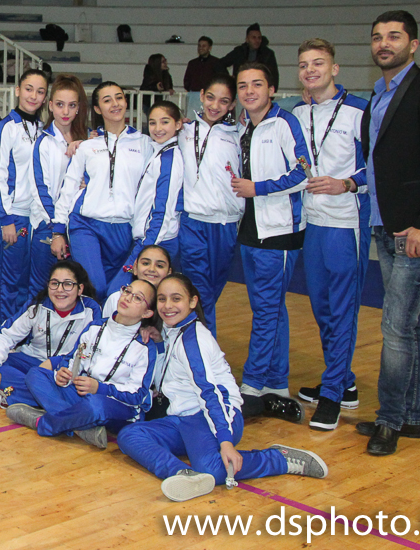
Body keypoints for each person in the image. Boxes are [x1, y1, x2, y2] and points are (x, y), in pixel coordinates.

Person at [117, 274, 327, 501]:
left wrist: (225, 442)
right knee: (130, 434)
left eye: (176, 299)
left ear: (193, 301)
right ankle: (184, 474)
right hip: (184, 419)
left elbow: (210, 394)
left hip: (216, 417)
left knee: (213, 469)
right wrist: (159, 343)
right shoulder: (173, 329)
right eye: (162, 299)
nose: (168, 306)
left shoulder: (193, 341)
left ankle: (278, 458)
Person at [358, 9, 420, 456]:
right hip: (386, 224)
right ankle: (413, 417)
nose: (384, 44)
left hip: (417, 230)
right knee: (412, 324)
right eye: (378, 37)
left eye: (394, 36)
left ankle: (389, 420)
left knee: (395, 326)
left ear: (413, 45)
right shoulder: (378, 96)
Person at [290, 38, 370, 430]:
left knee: (342, 310)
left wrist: (348, 184)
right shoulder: (298, 112)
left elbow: (379, 165)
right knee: (322, 309)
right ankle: (344, 381)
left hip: (345, 224)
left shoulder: (359, 110)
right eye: (304, 64)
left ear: (334, 69)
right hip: (313, 223)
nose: (311, 70)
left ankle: (333, 396)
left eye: (318, 63)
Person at [229, 63, 309, 400]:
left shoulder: (285, 123)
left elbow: (304, 173)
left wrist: (257, 188)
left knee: (266, 310)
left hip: (279, 231)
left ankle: (253, 382)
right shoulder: (243, 126)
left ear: (272, 89)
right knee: (271, 308)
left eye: (257, 84)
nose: (249, 91)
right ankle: (276, 381)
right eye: (243, 85)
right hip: (250, 229)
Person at [9, 278, 157, 449]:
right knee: (36, 374)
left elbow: (138, 396)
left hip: (117, 406)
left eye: (138, 298)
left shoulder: (145, 347)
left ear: (147, 313)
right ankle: (81, 426)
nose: (128, 298)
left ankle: (44, 423)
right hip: (82, 394)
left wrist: (100, 388)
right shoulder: (95, 327)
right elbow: (74, 359)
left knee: (95, 406)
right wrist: (63, 373)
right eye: (127, 291)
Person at [55, 81, 147, 302]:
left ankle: (101, 325)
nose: (115, 104)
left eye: (119, 97)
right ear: (97, 109)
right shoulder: (87, 146)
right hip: (86, 224)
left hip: (124, 229)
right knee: (94, 287)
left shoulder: (145, 144)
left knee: (115, 293)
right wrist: (58, 231)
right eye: (107, 100)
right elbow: (69, 188)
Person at [0, 259, 100, 410]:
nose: (60, 290)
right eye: (55, 283)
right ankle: (43, 400)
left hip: (65, 371)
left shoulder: (91, 311)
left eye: (67, 284)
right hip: (33, 362)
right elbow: (5, 334)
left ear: (80, 289)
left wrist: (55, 363)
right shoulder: (37, 305)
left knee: (41, 378)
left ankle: (12, 395)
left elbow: (91, 351)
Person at [176, 74, 242, 334]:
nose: (215, 106)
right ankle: (205, 348)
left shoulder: (239, 135)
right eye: (211, 98)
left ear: (232, 104)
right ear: (201, 95)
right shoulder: (182, 130)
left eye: (224, 101)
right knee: (199, 290)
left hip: (226, 225)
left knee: (211, 291)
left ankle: (189, 341)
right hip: (193, 222)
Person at [105, 101, 185, 294]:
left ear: (178, 124)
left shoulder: (169, 159)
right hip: (148, 238)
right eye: (152, 123)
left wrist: (146, 249)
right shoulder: (157, 151)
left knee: (118, 292)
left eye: (165, 122)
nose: (158, 128)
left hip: (157, 242)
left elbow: (163, 209)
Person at [0, 69, 48, 323]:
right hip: (13, 216)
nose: (34, 96)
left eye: (40, 91)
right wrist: (6, 219)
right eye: (29, 89)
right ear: (17, 91)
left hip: (37, 217)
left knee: (31, 280)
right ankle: (3, 331)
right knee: (9, 280)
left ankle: (24, 331)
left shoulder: (44, 129)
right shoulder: (5, 128)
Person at [32, 75, 87, 294]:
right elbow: (41, 190)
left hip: (78, 226)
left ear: (78, 108)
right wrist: (57, 230)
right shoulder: (43, 143)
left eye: (71, 105)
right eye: (60, 104)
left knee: (73, 289)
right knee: (41, 289)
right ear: (50, 105)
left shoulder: (89, 141)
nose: (65, 111)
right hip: (48, 226)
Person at [219, 23, 280, 91]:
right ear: (247, 39)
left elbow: (274, 75)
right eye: (254, 37)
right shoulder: (239, 52)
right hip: (240, 88)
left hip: (259, 89)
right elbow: (220, 64)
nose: (257, 40)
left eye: (259, 38)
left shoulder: (268, 54)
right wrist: (230, 80)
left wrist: (272, 91)